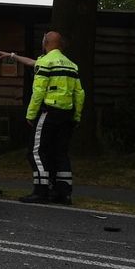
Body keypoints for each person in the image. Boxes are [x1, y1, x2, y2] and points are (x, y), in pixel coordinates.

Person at [19, 31, 84, 205]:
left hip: (49, 112)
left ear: (45, 42)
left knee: (36, 152)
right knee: (60, 153)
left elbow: (39, 91)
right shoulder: (72, 65)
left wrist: (31, 114)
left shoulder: (45, 62)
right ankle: (63, 192)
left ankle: (41, 191)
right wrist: (76, 116)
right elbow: (79, 93)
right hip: (67, 114)